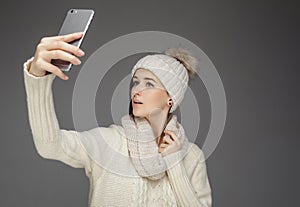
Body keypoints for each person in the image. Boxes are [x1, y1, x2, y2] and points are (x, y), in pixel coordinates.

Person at [23, 32, 212, 206]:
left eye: (149, 83)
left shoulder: (193, 157)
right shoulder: (108, 142)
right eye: (136, 82)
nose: (137, 90)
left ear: (171, 97)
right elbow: (50, 146)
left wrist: (174, 162)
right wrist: (38, 79)